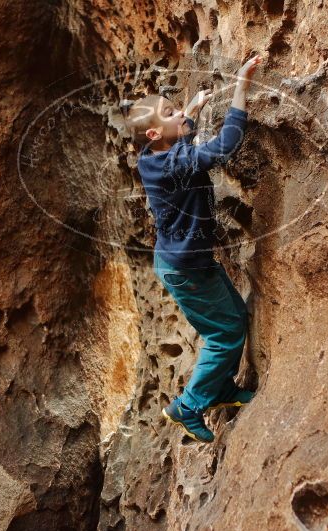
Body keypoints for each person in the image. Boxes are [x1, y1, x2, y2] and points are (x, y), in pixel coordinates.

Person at [122, 55, 262, 443]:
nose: (180, 112)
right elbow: (222, 149)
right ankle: (187, 405)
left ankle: (221, 391)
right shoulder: (174, 161)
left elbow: (176, 144)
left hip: (185, 260)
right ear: (154, 135)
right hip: (185, 267)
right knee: (224, 333)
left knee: (234, 316)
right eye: (171, 111)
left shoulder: (152, 158)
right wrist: (240, 88)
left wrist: (190, 111)